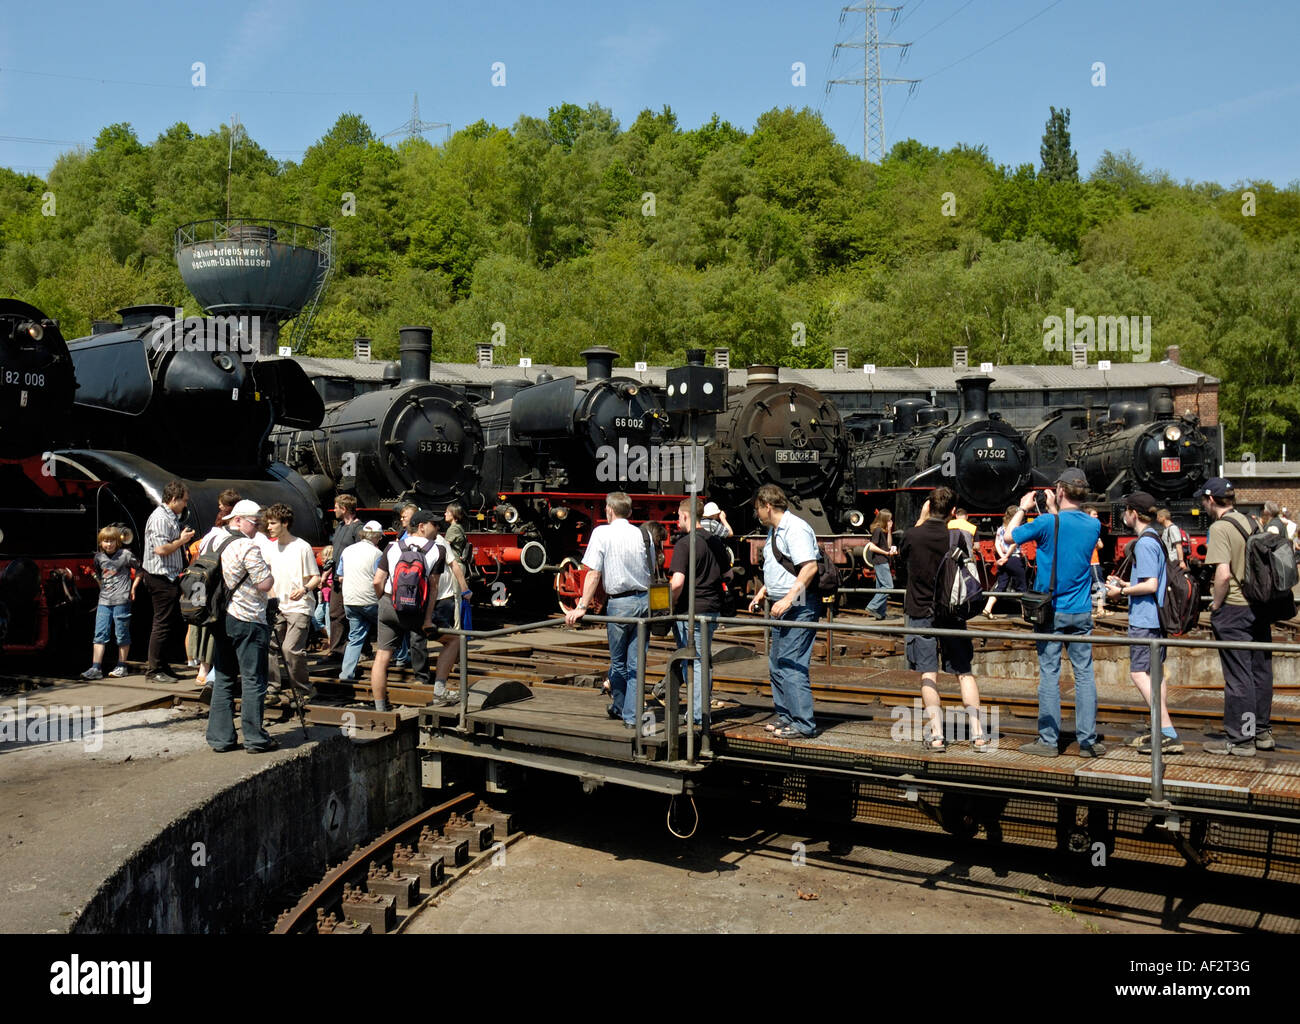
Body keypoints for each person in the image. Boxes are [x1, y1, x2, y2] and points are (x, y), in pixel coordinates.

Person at [1008, 468, 1105, 758]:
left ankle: (1049, 742)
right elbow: (1067, 534)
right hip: (1081, 610)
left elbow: (1010, 536)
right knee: (1084, 675)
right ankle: (1087, 741)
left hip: (1051, 612)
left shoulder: (1047, 522)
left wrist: (1024, 508)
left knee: (1050, 674)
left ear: (1060, 491)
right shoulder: (1092, 526)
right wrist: (1053, 508)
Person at [901, 488, 990, 752]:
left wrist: (920, 519)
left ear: (928, 507)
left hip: (920, 611)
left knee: (929, 673)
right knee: (964, 672)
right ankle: (978, 734)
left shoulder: (912, 535)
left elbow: (901, 560)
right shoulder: (957, 536)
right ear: (953, 511)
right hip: (952, 612)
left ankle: (938, 735)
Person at [564, 492, 652, 730]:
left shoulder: (601, 533)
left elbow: (593, 573)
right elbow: (652, 568)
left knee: (619, 662)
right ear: (630, 512)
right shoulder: (642, 533)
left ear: (609, 511)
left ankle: (622, 708)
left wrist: (581, 606)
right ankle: (631, 716)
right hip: (644, 601)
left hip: (620, 604)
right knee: (637, 663)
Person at [1201, 478, 1274, 756]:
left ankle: (1242, 740)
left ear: (1210, 500)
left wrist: (1216, 605)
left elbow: (1223, 574)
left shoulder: (1220, 527)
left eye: (1203, 500)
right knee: (1260, 671)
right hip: (1259, 607)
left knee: (1238, 676)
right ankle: (1261, 731)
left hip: (1234, 607)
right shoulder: (1251, 521)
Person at [1105, 492, 1182, 756]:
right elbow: (1149, 580)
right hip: (1154, 618)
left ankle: (1168, 731)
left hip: (1146, 618)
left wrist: (1120, 593)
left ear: (1133, 513)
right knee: (1154, 674)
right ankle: (1162, 730)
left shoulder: (1144, 543)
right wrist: (1128, 584)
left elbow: (1151, 585)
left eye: (1126, 510)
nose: (1124, 514)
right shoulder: (1154, 538)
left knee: (1138, 674)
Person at [370, 510, 467, 712]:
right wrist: (428, 619)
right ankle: (439, 690)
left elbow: (377, 580)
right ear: (421, 526)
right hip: (417, 611)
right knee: (454, 640)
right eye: (434, 524)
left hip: (389, 604)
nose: (439, 528)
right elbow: (433, 589)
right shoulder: (437, 550)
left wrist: (383, 601)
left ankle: (380, 708)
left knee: (382, 656)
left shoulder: (392, 547)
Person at [747, 484, 820, 739]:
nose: (757, 514)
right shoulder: (774, 531)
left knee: (791, 664)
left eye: (758, 509)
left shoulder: (795, 528)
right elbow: (783, 567)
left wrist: (789, 598)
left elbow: (809, 567)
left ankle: (803, 723)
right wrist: (764, 591)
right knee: (777, 663)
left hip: (799, 604)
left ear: (768, 506)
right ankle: (786, 715)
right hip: (782, 604)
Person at [205, 500, 278, 753]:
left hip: (219, 617)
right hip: (247, 618)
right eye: (253, 522)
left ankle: (220, 738)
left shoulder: (212, 540)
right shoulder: (247, 546)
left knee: (224, 677)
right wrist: (269, 573)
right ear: (237, 519)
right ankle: (255, 739)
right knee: (253, 679)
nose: (257, 527)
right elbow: (265, 584)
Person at [668, 498, 724, 725]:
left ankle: (698, 715)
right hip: (711, 609)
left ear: (685, 516)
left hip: (690, 611)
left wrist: (669, 604)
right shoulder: (715, 542)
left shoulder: (684, 544)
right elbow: (727, 575)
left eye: (679, 517)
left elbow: (678, 582)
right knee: (704, 660)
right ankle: (700, 710)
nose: (677, 521)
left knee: (693, 662)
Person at [263, 503, 321, 708]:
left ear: (285, 523)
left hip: (299, 606)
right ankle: (272, 688)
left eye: (272, 523)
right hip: (277, 605)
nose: (268, 527)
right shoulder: (269, 547)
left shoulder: (302, 547)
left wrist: (305, 589)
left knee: (290, 649)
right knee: (269, 646)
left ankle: (304, 689)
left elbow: (316, 577)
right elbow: (266, 575)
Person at [141, 480, 196, 683]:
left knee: (168, 623)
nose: (185, 505)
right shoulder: (159, 519)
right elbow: (161, 549)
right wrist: (182, 541)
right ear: (174, 499)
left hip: (170, 576)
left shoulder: (170, 516)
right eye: (184, 501)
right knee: (162, 623)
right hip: (160, 576)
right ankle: (154, 670)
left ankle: (163, 666)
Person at [188, 489, 240, 685]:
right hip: (217, 587)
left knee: (203, 626)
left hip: (202, 584)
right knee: (216, 628)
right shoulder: (226, 537)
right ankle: (210, 671)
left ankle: (201, 667)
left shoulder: (209, 536)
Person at [81, 526, 142, 679]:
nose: (108, 544)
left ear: (117, 541)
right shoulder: (98, 558)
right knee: (99, 634)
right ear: (101, 543)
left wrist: (133, 587)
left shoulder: (126, 555)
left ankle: (122, 666)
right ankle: (96, 668)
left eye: (111, 541)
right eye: (105, 541)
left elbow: (140, 569)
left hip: (122, 599)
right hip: (104, 600)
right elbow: (100, 575)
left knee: (121, 634)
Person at [338, 523, 384, 683]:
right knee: (388, 630)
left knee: (355, 637)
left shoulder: (347, 550)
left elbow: (340, 575)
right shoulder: (377, 553)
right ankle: (400, 659)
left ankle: (346, 674)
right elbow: (379, 579)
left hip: (350, 600)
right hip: (370, 600)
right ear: (377, 537)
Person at [326, 494, 362, 660]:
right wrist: (326, 572)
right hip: (336, 579)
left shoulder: (358, 528)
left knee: (354, 614)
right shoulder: (339, 527)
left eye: (336, 507)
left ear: (344, 509)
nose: (334, 510)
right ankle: (336, 650)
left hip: (351, 579)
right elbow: (335, 554)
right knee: (335, 613)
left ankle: (362, 649)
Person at [982, 506, 1027, 618]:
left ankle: (987, 608)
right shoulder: (1016, 529)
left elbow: (996, 543)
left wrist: (1002, 557)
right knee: (1022, 587)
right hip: (1014, 559)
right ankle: (1025, 613)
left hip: (1003, 561)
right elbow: (1014, 544)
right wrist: (1006, 556)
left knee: (1000, 585)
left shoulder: (1000, 528)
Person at [391, 503, 419, 668]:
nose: (401, 519)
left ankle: (407, 654)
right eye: (401, 517)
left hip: (411, 580)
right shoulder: (401, 534)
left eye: (404, 517)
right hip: (400, 579)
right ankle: (402, 654)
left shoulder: (417, 537)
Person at [865, 510, 897, 620]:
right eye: (889, 520)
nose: (891, 521)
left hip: (884, 560)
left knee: (881, 587)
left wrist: (889, 531)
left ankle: (880, 613)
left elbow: (888, 544)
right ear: (884, 520)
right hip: (880, 560)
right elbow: (872, 547)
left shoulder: (883, 530)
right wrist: (886, 553)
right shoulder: (877, 530)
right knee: (888, 586)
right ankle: (872, 606)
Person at [1084, 504, 1108, 617]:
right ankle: (1099, 608)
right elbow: (1101, 545)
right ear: (1088, 515)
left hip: (1084, 562)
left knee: (1087, 585)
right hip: (1093, 561)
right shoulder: (1093, 529)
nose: (1097, 516)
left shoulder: (1082, 528)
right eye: (1094, 514)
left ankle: (1092, 608)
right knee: (1099, 584)